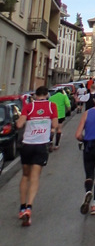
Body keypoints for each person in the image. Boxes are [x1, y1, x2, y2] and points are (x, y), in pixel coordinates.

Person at [16, 85, 58, 226]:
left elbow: (20, 124)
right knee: (35, 177)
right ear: (46, 95)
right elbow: (55, 124)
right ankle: (29, 207)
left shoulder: (29, 106)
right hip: (41, 145)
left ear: (35, 95)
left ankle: (21, 208)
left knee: (25, 176)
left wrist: (22, 120)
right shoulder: (52, 106)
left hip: (27, 144)